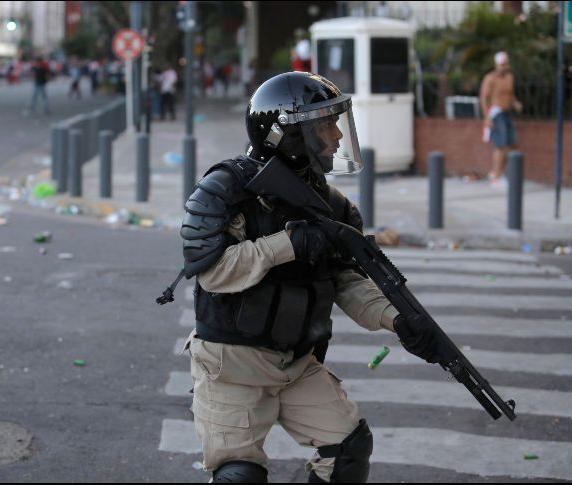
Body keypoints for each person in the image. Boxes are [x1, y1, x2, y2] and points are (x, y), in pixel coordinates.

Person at [180, 71, 441, 483]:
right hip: (232, 366)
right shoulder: (227, 189)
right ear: (288, 134)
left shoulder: (331, 206)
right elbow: (213, 273)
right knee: (240, 476)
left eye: (336, 123)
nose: (336, 136)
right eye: (324, 125)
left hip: (297, 362)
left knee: (348, 451)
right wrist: (286, 246)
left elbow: (346, 281)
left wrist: (398, 319)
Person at [479, 51, 522, 188]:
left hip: (507, 112)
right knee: (501, 145)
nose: (504, 67)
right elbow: (484, 98)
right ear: (497, 65)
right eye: (502, 64)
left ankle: (498, 172)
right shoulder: (490, 78)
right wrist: (487, 118)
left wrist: (516, 103)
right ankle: (495, 177)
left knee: (512, 145)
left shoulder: (509, 77)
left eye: (506, 64)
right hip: (496, 113)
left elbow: (511, 94)